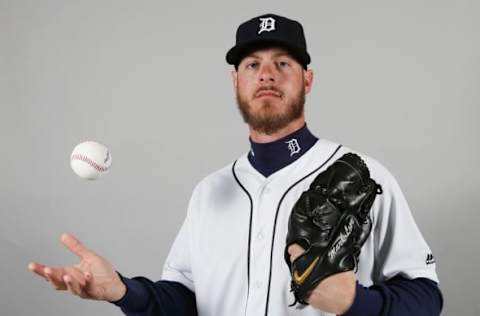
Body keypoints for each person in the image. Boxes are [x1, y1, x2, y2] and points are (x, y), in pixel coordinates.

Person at [29, 13, 443, 316]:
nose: (267, 75)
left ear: (307, 80)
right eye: (252, 65)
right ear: (236, 82)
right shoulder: (209, 192)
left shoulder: (364, 176)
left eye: (283, 63)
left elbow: (427, 297)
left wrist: (357, 303)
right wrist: (122, 291)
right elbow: (185, 299)